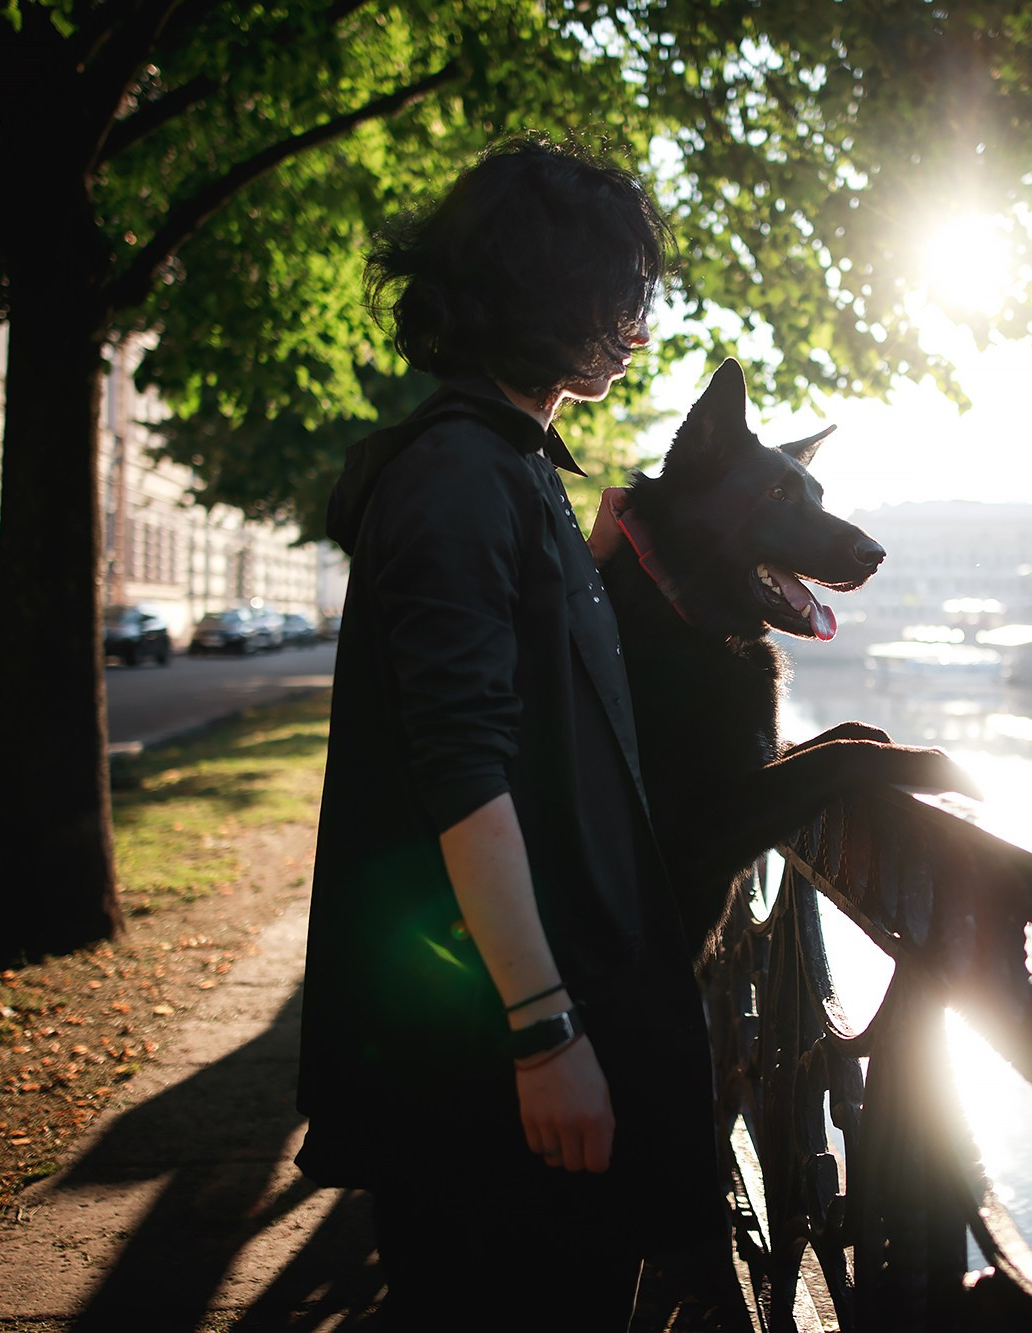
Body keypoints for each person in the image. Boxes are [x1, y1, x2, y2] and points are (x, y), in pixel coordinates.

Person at [295, 136, 727, 1328]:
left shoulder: (504, 467)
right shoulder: (458, 479)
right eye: (618, 301)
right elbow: (461, 771)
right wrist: (544, 1035)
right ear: (555, 299)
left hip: (527, 1042)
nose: (634, 332)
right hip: (495, 1072)